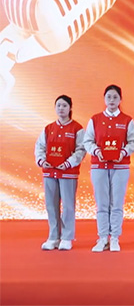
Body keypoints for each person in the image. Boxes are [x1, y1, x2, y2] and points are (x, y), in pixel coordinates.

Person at [83, 85, 134, 252]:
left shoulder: (127, 120)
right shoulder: (95, 119)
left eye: (115, 97)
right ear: (104, 99)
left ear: (120, 99)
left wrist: (123, 152)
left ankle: (114, 237)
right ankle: (102, 238)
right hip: (99, 166)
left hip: (120, 167)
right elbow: (87, 141)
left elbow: (133, 142)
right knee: (102, 203)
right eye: (109, 97)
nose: (112, 100)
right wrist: (96, 151)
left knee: (117, 203)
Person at [34, 95, 86, 251]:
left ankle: (67, 237)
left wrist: (68, 163)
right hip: (50, 173)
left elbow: (81, 149)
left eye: (64, 106)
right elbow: (40, 147)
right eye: (58, 106)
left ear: (70, 108)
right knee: (51, 205)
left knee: (68, 206)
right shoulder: (49, 128)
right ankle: (53, 237)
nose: (61, 108)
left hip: (68, 173)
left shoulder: (77, 128)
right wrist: (42, 160)